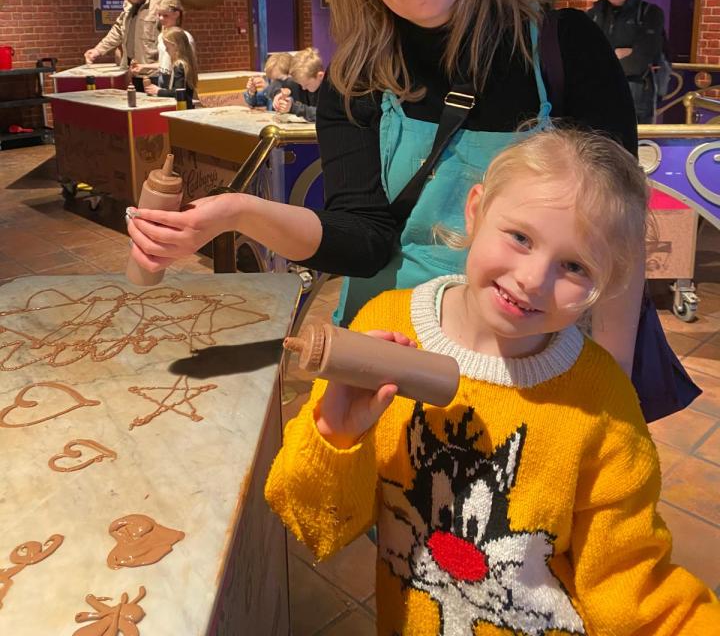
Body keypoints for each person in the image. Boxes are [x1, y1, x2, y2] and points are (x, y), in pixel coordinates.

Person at [126, 0, 642, 376]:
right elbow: (363, 238)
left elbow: (619, 227)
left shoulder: (564, 49)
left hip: (532, 350)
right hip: (395, 343)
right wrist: (237, 213)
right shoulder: (357, 78)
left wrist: (615, 378)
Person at [265, 129, 719, 636]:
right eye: (520, 237)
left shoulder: (601, 400)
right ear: (476, 210)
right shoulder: (388, 332)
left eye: (573, 266)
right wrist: (337, 434)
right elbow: (318, 523)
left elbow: (629, 580)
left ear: (605, 283)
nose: (532, 278)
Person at [587, 0, 666, 123]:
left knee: (633, 148)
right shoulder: (591, 15)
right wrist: (618, 54)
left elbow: (639, 62)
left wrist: (602, 60)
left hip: (634, 101)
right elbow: (582, 59)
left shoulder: (650, 14)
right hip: (596, 99)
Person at [84, 0, 165, 81]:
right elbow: (118, 29)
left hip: (154, 74)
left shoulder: (162, 5)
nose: (125, 0)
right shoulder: (130, 4)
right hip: (133, 70)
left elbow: (171, 41)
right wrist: (97, 50)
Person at [135, 0, 195, 88]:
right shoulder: (162, 36)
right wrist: (143, 66)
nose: (161, 19)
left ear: (176, 14)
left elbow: (187, 67)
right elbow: (164, 63)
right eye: (159, 15)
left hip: (176, 81)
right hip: (163, 79)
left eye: (165, 15)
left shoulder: (184, 37)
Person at [143, 27, 198, 108]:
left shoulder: (179, 65)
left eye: (167, 47)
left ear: (175, 46)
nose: (166, 50)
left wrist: (158, 91)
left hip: (183, 107)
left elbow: (178, 91)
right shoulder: (187, 62)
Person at [273, 46, 325, 121]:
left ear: (320, 76)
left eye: (307, 84)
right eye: (300, 84)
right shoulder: (300, 81)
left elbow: (323, 114)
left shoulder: (331, 90)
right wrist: (278, 94)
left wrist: (293, 107)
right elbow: (276, 83)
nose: (303, 88)